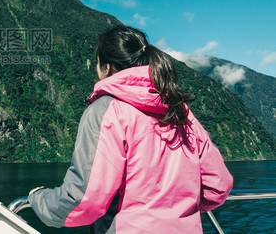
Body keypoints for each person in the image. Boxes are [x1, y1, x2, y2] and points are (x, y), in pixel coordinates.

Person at [28, 25, 233, 233]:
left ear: (106, 67)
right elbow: (218, 186)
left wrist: (38, 197)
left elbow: (83, 201)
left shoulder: (106, 111)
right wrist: (175, 210)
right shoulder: (181, 111)